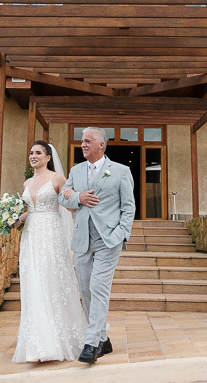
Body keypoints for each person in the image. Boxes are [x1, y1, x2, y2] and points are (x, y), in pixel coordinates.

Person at [58, 127, 136, 364]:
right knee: (86, 289)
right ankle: (103, 338)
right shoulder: (76, 170)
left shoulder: (121, 171)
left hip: (108, 239)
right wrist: (78, 197)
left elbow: (129, 206)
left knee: (98, 286)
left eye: (88, 141)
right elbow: (63, 196)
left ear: (101, 145)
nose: (83, 144)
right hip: (82, 238)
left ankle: (91, 343)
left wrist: (121, 234)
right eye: (82, 141)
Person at [12, 141, 87, 363]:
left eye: (38, 153)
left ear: (47, 157)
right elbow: (30, 209)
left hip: (51, 235)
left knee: (49, 281)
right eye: (31, 153)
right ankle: (36, 343)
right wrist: (15, 219)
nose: (33, 156)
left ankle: (54, 341)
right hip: (31, 236)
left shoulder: (57, 179)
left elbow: (70, 205)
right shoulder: (27, 182)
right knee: (32, 282)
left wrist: (77, 198)